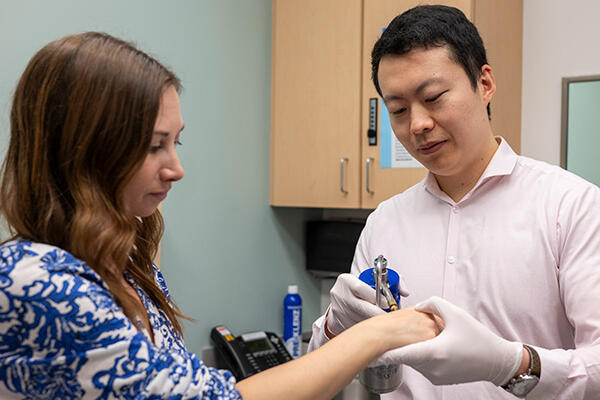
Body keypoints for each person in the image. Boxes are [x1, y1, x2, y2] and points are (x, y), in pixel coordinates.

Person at [0, 32, 440, 400]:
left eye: (176, 143)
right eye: (154, 145)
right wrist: (376, 335)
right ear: (85, 149)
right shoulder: (31, 279)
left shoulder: (127, 266)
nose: (175, 168)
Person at [308, 4, 600, 399]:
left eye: (433, 97)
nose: (417, 125)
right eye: (397, 110)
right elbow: (319, 375)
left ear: (485, 84)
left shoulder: (570, 207)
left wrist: (514, 364)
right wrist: (332, 326)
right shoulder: (385, 223)